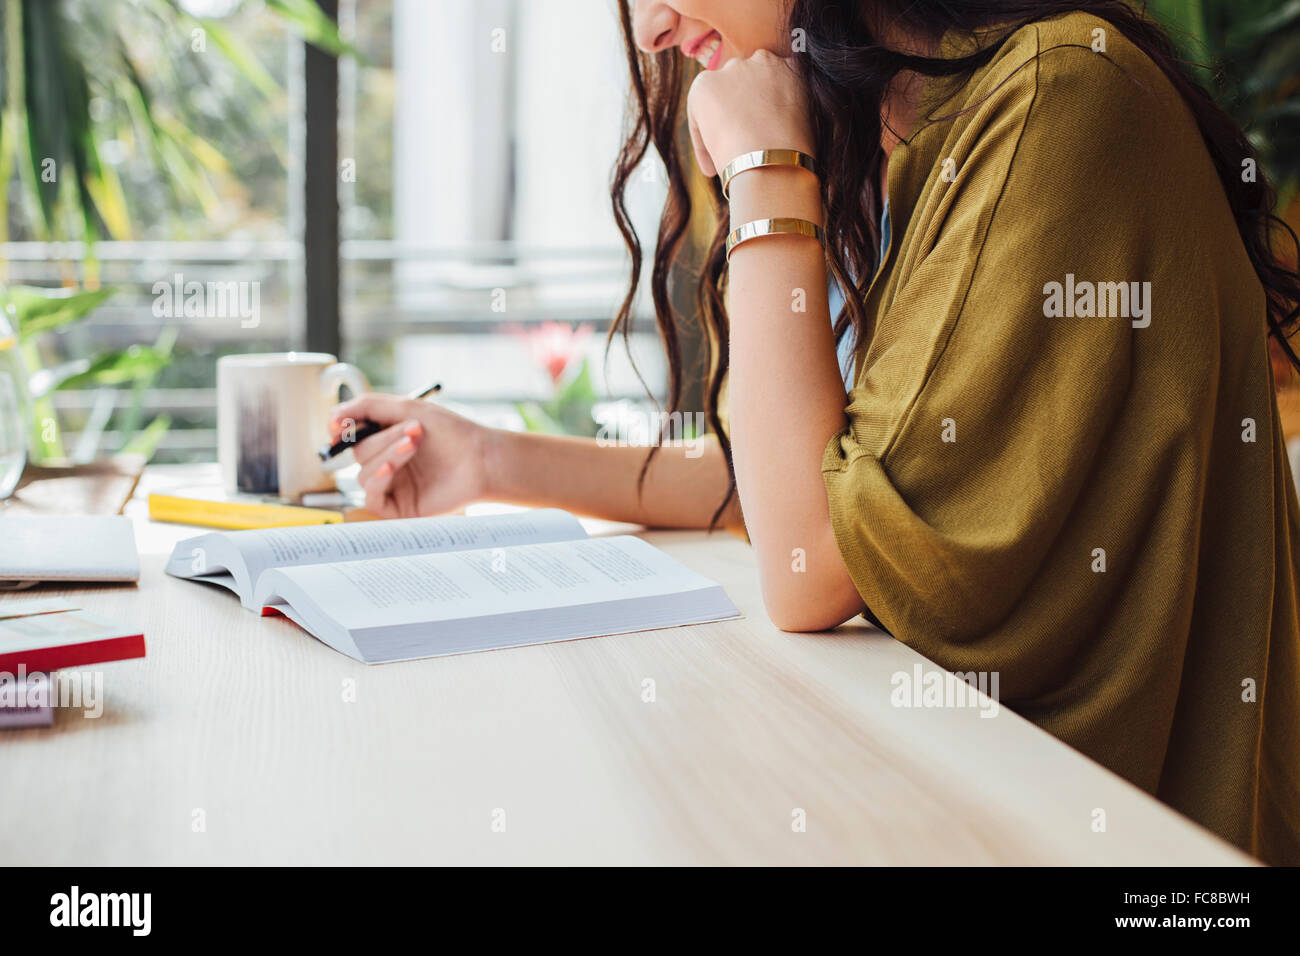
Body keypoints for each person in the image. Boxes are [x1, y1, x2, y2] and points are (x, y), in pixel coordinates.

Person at [331, 1, 1300, 863]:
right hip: (956, 787)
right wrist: (491, 457)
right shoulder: (928, 127)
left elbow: (809, 556)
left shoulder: (1054, 99)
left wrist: (764, 180)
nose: (651, 31)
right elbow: (827, 480)